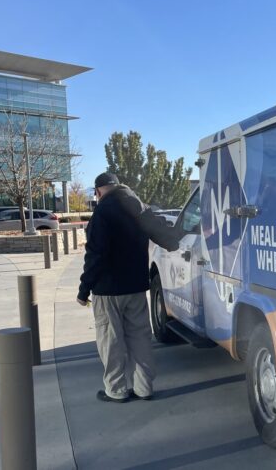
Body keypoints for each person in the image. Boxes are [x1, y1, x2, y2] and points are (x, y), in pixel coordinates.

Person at [77, 172, 181, 403]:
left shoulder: (102, 212)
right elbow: (162, 232)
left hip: (107, 291)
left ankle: (116, 390)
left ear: (99, 191)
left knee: (111, 340)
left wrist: (84, 290)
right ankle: (144, 388)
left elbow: (95, 255)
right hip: (135, 287)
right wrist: (178, 240)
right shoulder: (138, 207)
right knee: (140, 339)